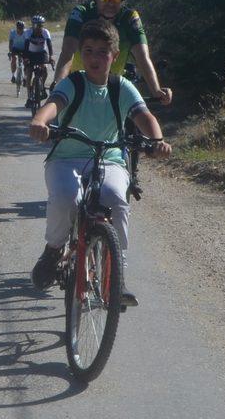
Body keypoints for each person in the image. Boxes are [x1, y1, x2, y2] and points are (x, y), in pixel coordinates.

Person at [28, 18, 171, 306]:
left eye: (103, 52)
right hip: (67, 157)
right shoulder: (73, 83)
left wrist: (157, 141)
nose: (95, 58)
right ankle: (54, 249)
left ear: (114, 56)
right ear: (81, 55)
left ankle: (116, 276)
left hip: (109, 159)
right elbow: (54, 104)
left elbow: (144, 116)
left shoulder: (122, 87)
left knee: (117, 198)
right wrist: (40, 122)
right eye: (88, 51)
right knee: (66, 197)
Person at [53, 0, 172, 105]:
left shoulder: (129, 18)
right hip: (78, 84)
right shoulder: (81, 13)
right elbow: (68, 52)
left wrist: (156, 90)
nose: (110, 3)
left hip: (112, 87)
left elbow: (142, 57)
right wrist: (58, 86)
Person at [24, 14, 54, 107]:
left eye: (40, 25)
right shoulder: (28, 32)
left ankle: (42, 87)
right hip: (31, 53)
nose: (38, 27)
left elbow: (49, 45)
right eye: (36, 25)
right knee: (29, 72)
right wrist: (26, 58)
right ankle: (29, 97)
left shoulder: (45, 32)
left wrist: (51, 56)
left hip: (41, 53)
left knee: (44, 70)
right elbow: (26, 45)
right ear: (33, 25)